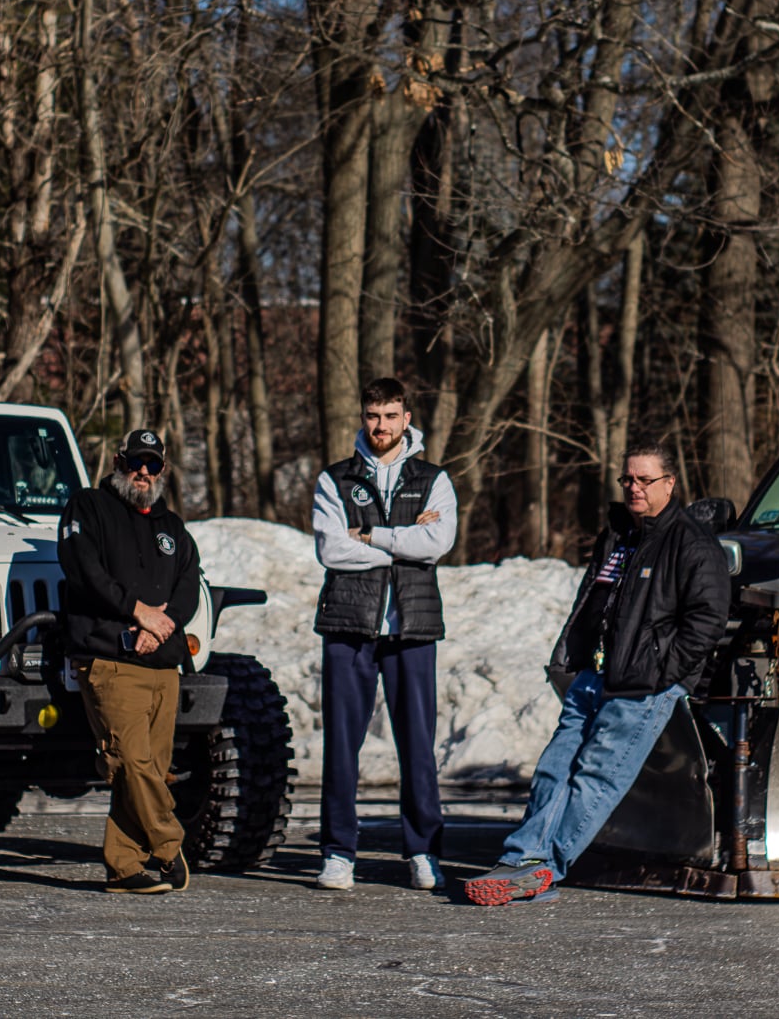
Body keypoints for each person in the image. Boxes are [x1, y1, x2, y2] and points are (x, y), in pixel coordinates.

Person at [464, 444, 728, 906]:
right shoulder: (620, 534)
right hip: (594, 676)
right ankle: (521, 859)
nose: (634, 488)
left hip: (641, 687)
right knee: (553, 769)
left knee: (596, 779)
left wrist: (662, 674)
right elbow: (596, 601)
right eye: (628, 479)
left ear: (669, 483)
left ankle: (545, 867)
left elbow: (706, 620)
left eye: (645, 480)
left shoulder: (692, 542)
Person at [310, 377, 458, 891]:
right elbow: (332, 550)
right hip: (349, 625)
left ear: (406, 419)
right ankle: (338, 852)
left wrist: (372, 535)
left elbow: (438, 543)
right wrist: (405, 541)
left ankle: (422, 852)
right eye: (373, 416)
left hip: (412, 627)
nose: (381, 426)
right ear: (363, 418)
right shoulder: (335, 479)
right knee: (342, 744)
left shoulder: (434, 479)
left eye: (391, 416)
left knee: (417, 745)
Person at [59, 428, 202, 894]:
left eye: (153, 464)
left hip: (163, 663)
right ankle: (168, 842)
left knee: (149, 769)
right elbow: (84, 571)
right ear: (118, 461)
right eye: (135, 462)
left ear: (163, 470)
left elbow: (187, 583)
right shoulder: (88, 508)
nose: (143, 472)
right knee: (133, 761)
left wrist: (164, 623)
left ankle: (124, 868)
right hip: (109, 657)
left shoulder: (172, 528)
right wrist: (136, 612)